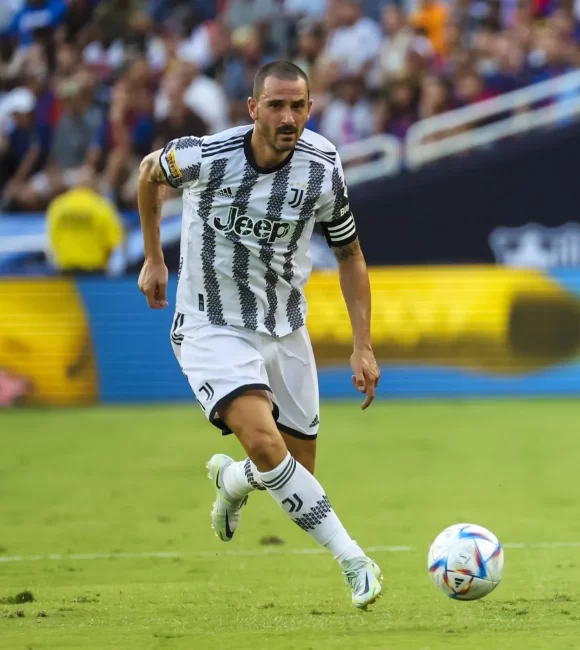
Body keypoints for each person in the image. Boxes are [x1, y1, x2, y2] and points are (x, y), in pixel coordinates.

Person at [135, 60, 384, 609]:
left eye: (298, 105)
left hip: (284, 328)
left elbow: (350, 255)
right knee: (267, 445)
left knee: (293, 469)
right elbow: (149, 172)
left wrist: (362, 343)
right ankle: (354, 560)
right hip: (210, 322)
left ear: (310, 109)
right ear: (253, 109)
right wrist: (155, 258)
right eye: (276, 105)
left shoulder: (323, 168)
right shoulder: (206, 156)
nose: (288, 116)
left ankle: (233, 483)